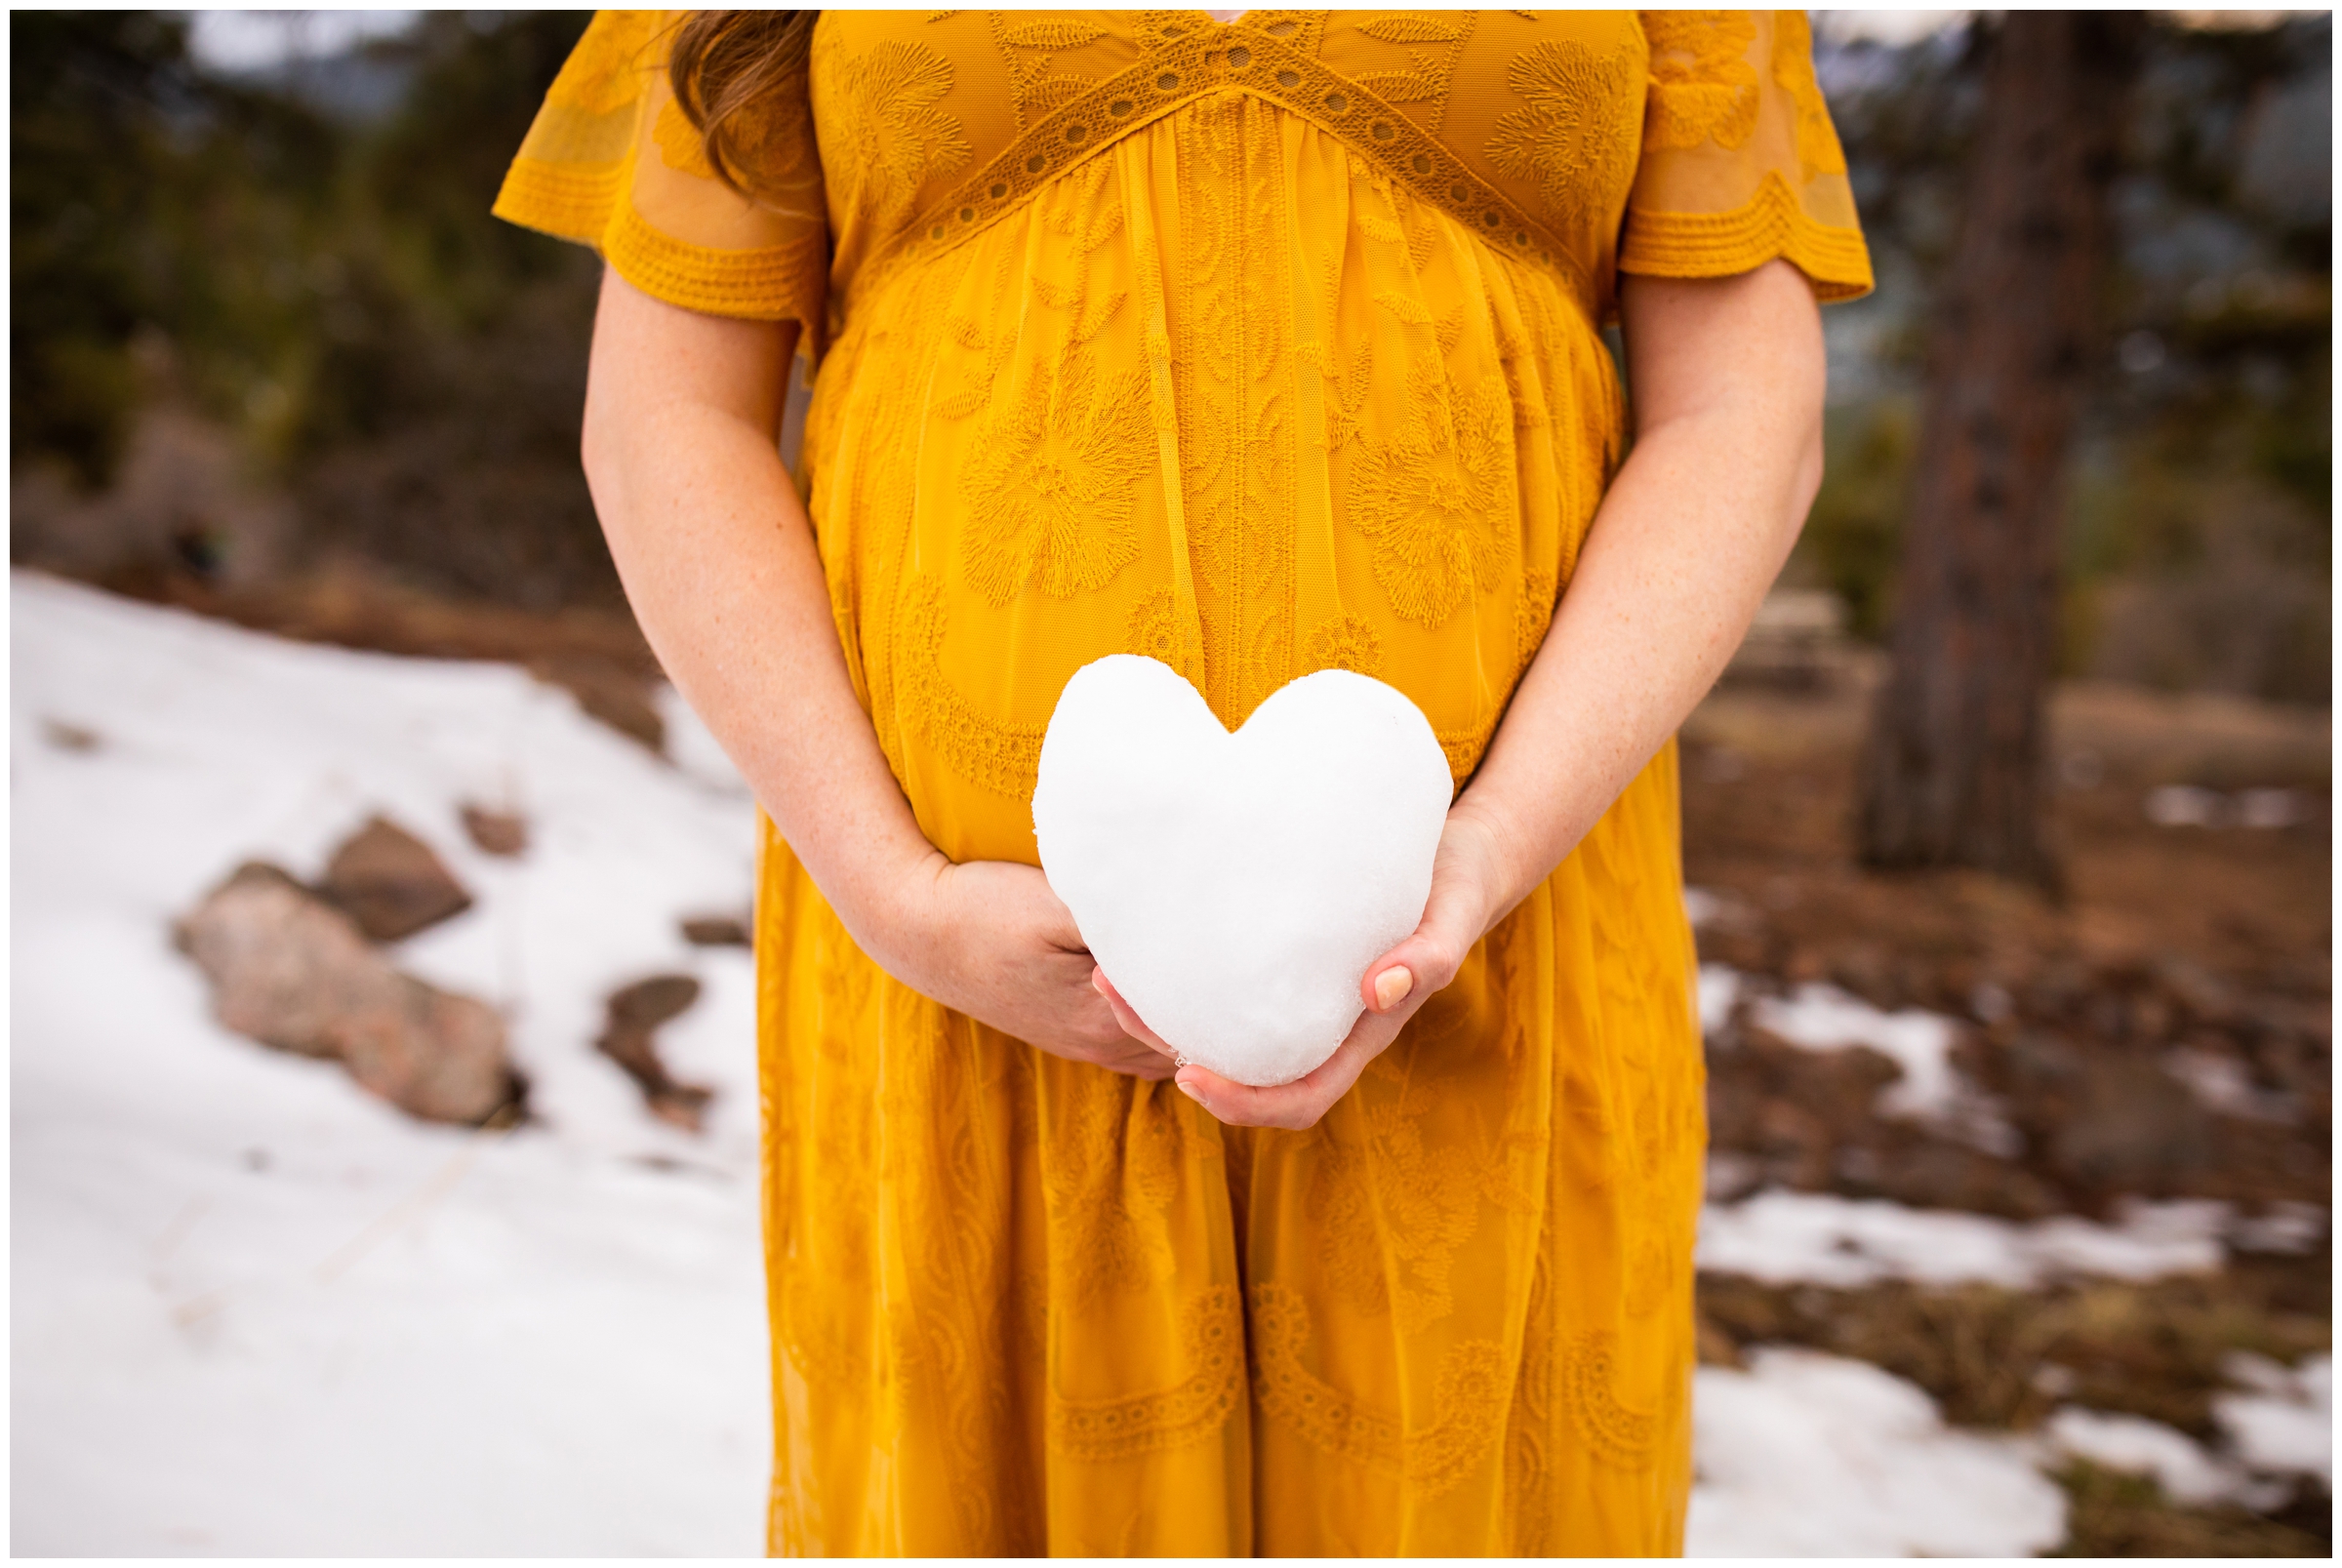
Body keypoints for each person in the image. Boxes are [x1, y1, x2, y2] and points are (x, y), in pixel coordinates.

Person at [497, 9, 1870, 1554]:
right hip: (955, 988)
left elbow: (1743, 409)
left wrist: (1486, 851)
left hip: (1500, 942)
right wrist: (895, 890)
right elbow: (666, 410)